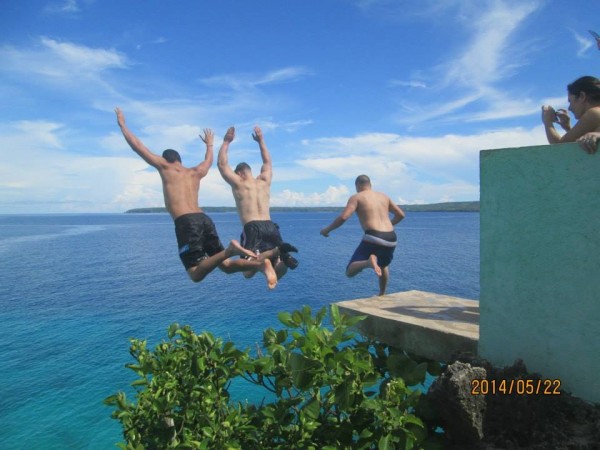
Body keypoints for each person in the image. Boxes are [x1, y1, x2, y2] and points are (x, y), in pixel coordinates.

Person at [115, 108, 277, 288]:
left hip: (186, 222)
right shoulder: (196, 172)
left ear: (165, 159)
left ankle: (230, 250)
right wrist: (209, 145)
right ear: (180, 160)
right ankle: (261, 264)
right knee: (226, 267)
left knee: (195, 273)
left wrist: (122, 125)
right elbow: (208, 161)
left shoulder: (165, 167)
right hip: (204, 219)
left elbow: (138, 146)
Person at [217, 126, 298, 283]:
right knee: (279, 270)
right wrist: (261, 140)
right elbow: (268, 162)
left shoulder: (239, 183)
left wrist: (226, 142)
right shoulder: (264, 181)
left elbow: (221, 164)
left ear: (239, 173)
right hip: (271, 226)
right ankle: (279, 256)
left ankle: (266, 259)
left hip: (252, 227)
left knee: (247, 272)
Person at [320, 175, 405, 296]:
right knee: (383, 264)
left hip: (373, 237)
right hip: (391, 237)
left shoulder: (357, 197)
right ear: (370, 184)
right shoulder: (383, 196)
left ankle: (368, 263)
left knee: (350, 272)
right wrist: (387, 226)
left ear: (357, 186)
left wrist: (326, 230)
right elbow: (401, 215)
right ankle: (382, 293)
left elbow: (344, 217)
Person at [541, 76, 600, 148]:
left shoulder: (594, 113)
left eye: (570, 101)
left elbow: (560, 148)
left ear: (582, 96)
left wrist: (548, 123)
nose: (569, 108)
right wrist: (567, 127)